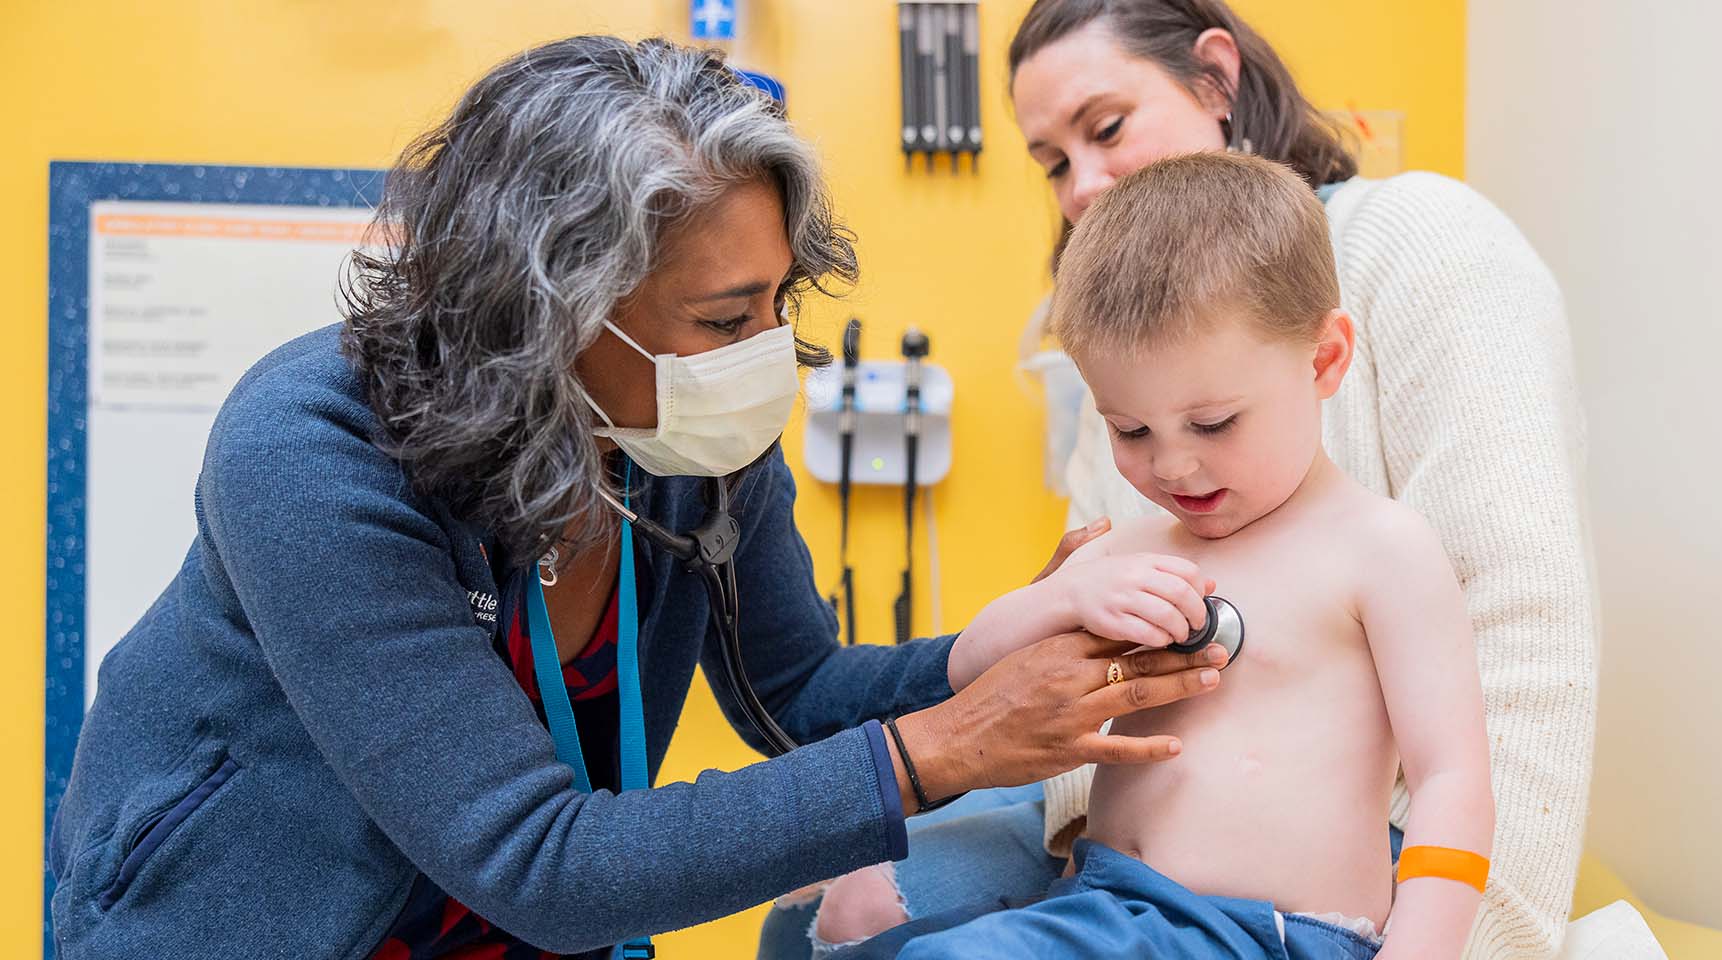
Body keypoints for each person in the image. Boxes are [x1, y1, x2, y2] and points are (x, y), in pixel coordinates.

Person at [45, 36, 1228, 959]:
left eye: (778, 303)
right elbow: (542, 862)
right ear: (546, 308)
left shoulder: (681, 422)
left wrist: (999, 643)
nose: (768, 354)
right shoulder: (312, 450)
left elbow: (797, 695)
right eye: (724, 319)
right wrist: (949, 748)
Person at [767, 2, 1596, 958]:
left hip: (1293, 904)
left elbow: (1501, 694)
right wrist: (1063, 605)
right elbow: (1006, 662)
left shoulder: (1380, 518)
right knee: (828, 919)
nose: (1171, 466)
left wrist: (1449, 937)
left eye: (1106, 126)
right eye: (1051, 161)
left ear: (1216, 77)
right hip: (1119, 885)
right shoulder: (1143, 477)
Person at [840, 151, 1495, 960]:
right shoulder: (1133, 543)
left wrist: (1422, 949)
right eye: (1132, 430)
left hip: (1269, 935)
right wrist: (1065, 598)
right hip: (1102, 905)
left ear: (1323, 361)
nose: (1174, 466)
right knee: (865, 945)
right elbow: (974, 670)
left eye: (1214, 423)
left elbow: (1451, 777)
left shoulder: (1379, 549)